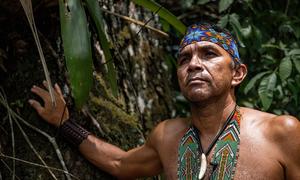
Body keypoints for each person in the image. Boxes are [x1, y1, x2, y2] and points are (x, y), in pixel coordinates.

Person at [28, 23, 300, 180]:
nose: (194, 64)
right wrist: (65, 124)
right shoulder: (167, 136)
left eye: (209, 54)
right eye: (184, 59)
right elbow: (121, 164)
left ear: (237, 73)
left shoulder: (281, 133)